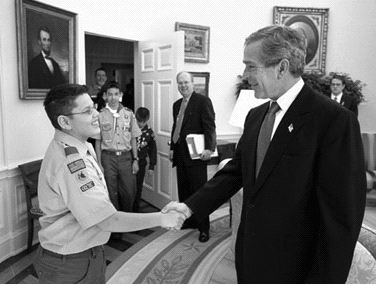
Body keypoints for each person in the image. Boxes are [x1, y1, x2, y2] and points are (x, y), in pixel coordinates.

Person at [163, 25, 366, 283]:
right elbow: (236, 171)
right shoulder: (256, 116)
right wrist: (190, 206)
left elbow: (341, 217)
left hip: (296, 266)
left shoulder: (333, 121)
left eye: (251, 66)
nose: (245, 74)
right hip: (251, 256)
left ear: (281, 67)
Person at [34, 83, 184, 284]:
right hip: (69, 262)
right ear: (65, 121)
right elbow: (106, 220)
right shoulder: (71, 163)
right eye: (87, 111)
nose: (96, 114)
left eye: (94, 107)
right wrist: (162, 218)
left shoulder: (79, 146)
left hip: (82, 252)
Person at [169, 71, 216, 243]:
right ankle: (190, 221)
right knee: (185, 191)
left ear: (192, 83)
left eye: (186, 82)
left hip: (197, 156)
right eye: (180, 83)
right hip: (181, 155)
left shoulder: (203, 101)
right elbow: (177, 128)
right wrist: (173, 147)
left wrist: (209, 149)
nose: (183, 86)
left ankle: (204, 228)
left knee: (200, 193)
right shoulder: (176, 105)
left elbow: (210, 126)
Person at [95, 81, 141, 215]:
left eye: (116, 94)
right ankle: (114, 225)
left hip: (126, 158)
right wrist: (99, 163)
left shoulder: (129, 114)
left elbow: (133, 138)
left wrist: (135, 159)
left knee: (129, 191)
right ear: (105, 96)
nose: (113, 98)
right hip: (108, 158)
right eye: (110, 95)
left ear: (121, 95)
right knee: (110, 191)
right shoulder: (100, 115)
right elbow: (98, 142)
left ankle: (127, 218)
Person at [133, 107, 157, 212]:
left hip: (141, 163)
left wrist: (152, 166)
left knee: (138, 188)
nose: (140, 124)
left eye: (143, 122)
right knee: (128, 188)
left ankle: (136, 210)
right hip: (128, 162)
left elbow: (153, 150)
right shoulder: (130, 128)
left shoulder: (149, 132)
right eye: (138, 121)